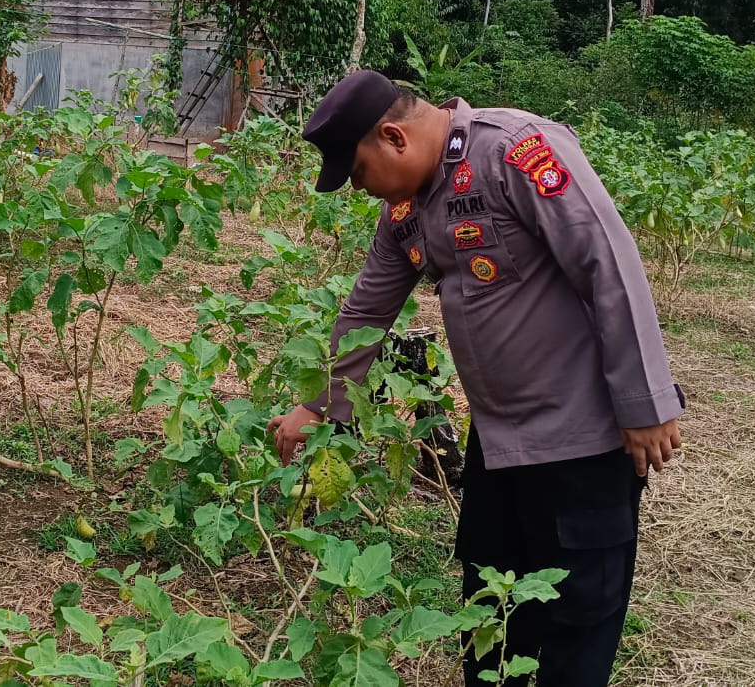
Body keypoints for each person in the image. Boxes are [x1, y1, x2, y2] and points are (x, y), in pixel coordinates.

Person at [266, 70, 684, 687]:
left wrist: (644, 400)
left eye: (358, 172)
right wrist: (319, 405)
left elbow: (607, 257)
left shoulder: (515, 151)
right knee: (490, 608)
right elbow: (366, 309)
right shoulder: (405, 211)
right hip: (496, 440)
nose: (362, 190)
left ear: (393, 138)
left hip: (583, 437)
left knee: (575, 620)